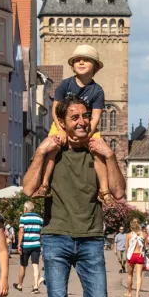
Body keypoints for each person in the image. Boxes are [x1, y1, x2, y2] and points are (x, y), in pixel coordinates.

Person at [23, 97, 125, 297]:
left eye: (85, 116)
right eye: (74, 117)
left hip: (91, 238)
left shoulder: (97, 152)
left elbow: (118, 192)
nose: (81, 121)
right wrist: (40, 152)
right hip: (56, 237)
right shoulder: (53, 152)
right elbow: (28, 188)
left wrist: (111, 155)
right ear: (62, 122)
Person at [41, 45, 109, 200]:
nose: (81, 62)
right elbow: (55, 109)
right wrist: (61, 129)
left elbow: (95, 117)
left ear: (95, 66)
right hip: (62, 124)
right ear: (72, 66)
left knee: (99, 152)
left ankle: (104, 190)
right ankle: (44, 184)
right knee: (50, 148)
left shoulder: (97, 91)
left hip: (87, 127)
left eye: (86, 60)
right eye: (77, 60)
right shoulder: (65, 84)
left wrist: (87, 136)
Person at [13, 200, 43, 293]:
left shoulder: (23, 217)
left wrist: (19, 244)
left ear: (26, 208)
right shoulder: (39, 218)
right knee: (35, 265)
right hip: (36, 245)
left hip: (25, 245)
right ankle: (36, 287)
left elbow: (21, 231)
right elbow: (41, 233)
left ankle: (20, 285)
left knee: (23, 265)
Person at [125, 218, 147, 297]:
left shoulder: (128, 235)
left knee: (130, 275)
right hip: (139, 255)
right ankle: (137, 293)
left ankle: (129, 293)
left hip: (131, 255)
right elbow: (145, 247)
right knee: (139, 276)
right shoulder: (143, 234)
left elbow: (126, 248)